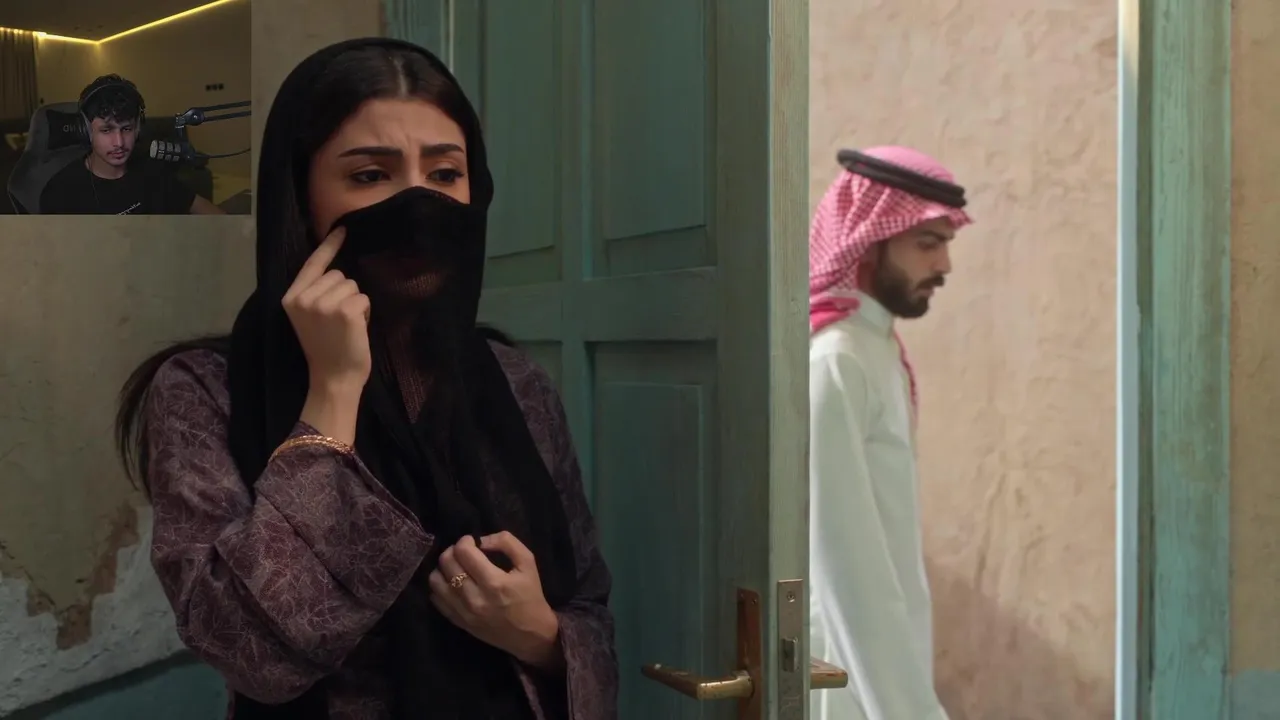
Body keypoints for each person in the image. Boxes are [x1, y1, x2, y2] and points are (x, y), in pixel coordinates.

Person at [113, 38, 618, 719]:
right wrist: (333, 394)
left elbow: (588, 605)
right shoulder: (206, 390)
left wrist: (540, 637)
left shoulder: (514, 382)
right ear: (302, 197)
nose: (418, 205)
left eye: (445, 174)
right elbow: (247, 651)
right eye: (371, 175)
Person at [807, 146, 974, 720]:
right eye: (927, 243)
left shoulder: (875, 348)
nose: (945, 265)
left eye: (946, 243)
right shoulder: (836, 360)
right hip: (849, 680)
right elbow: (848, 567)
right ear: (870, 241)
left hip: (882, 673)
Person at [39, 74, 224, 215]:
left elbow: (199, 206)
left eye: (126, 129)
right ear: (86, 131)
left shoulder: (153, 170)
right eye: (106, 130)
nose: (119, 143)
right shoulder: (59, 192)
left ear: (138, 129)